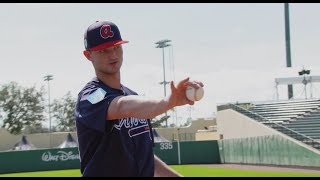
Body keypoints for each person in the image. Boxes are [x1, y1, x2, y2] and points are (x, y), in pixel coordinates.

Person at [75, 20, 204, 177]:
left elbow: (146, 157)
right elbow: (121, 107)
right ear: (88, 55)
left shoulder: (132, 96)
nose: (113, 55)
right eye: (103, 50)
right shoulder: (89, 97)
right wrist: (167, 102)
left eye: (117, 47)